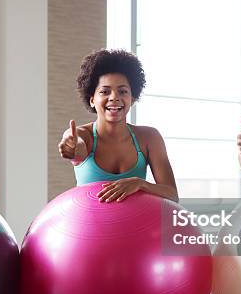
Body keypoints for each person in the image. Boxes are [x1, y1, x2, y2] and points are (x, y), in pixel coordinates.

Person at [58, 49, 178, 202]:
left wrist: (140, 184)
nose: (114, 97)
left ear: (132, 98)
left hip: (137, 225)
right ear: (92, 99)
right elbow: (76, 147)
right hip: (91, 225)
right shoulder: (81, 136)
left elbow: (172, 194)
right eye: (105, 91)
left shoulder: (149, 138)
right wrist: (72, 149)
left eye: (122, 91)